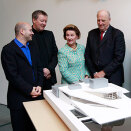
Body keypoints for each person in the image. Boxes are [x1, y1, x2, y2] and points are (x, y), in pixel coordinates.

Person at [1, 22, 43, 131]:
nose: (32, 33)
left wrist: (39, 85)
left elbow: (39, 67)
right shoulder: (8, 50)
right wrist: (29, 90)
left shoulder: (33, 46)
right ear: (22, 31)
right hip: (18, 100)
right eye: (30, 30)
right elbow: (12, 75)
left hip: (36, 97)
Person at [85, 10, 125, 87]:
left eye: (103, 20)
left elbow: (119, 58)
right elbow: (87, 55)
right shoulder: (91, 33)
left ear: (109, 20)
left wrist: (103, 72)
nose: (100, 23)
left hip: (113, 78)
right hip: (95, 77)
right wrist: (94, 73)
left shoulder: (117, 34)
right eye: (98, 20)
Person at [32, 10, 58, 90]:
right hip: (34, 79)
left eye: (45, 21)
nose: (44, 23)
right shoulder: (28, 34)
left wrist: (49, 69)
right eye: (42, 21)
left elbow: (55, 54)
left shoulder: (49, 34)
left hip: (49, 78)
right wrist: (42, 71)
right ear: (34, 20)